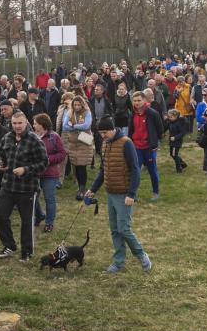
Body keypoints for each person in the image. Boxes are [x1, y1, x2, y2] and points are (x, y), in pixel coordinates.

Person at [85, 116, 153, 274]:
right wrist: (93, 189)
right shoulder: (104, 143)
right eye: (100, 133)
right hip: (111, 192)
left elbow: (135, 170)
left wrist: (131, 193)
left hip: (124, 194)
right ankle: (119, 261)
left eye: (105, 132)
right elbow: (104, 169)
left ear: (113, 129)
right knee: (115, 229)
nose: (103, 135)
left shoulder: (126, 143)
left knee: (124, 229)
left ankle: (141, 255)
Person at [0, 111, 47, 262]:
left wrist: (26, 169)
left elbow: (44, 163)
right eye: (14, 123)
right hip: (8, 185)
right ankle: (9, 245)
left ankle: (27, 251)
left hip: (27, 188)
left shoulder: (34, 140)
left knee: (26, 222)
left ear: (26, 123)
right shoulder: (6, 138)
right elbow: (0, 155)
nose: (17, 126)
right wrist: (0, 164)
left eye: (20, 123)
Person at [124, 91, 163, 201]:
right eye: (134, 101)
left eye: (139, 100)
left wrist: (155, 142)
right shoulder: (132, 114)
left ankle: (155, 192)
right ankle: (133, 193)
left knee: (152, 170)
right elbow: (131, 129)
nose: (136, 103)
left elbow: (160, 129)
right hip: (136, 147)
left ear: (144, 100)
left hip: (149, 147)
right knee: (135, 170)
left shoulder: (153, 113)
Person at [32, 114, 66, 233]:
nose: (33, 125)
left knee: (49, 198)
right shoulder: (32, 136)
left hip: (49, 174)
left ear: (42, 124)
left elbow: (62, 154)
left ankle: (49, 223)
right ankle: (40, 215)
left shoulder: (54, 137)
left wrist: (48, 159)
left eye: (35, 123)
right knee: (33, 198)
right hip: (34, 173)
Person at [61, 95, 94, 199]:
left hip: (83, 142)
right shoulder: (69, 112)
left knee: (82, 166)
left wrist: (73, 126)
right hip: (73, 143)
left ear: (82, 104)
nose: (77, 106)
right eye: (75, 104)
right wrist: (74, 127)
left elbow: (86, 125)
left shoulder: (87, 112)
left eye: (79, 104)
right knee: (75, 165)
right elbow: (64, 126)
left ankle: (82, 188)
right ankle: (80, 187)